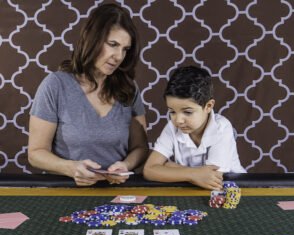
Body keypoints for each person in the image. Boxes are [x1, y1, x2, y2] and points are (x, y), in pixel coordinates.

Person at [28, 3, 148, 186]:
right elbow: (36, 153)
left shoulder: (129, 88)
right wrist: (71, 167)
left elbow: (140, 148)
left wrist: (126, 165)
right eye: (113, 44)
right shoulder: (55, 85)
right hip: (67, 189)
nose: (118, 56)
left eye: (125, 49)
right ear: (92, 40)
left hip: (117, 192)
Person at [143, 66, 246, 190]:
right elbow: (149, 170)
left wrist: (171, 167)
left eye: (187, 112)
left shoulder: (222, 128)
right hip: (192, 191)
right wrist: (193, 174)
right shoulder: (172, 127)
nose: (178, 120)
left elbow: (213, 178)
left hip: (234, 189)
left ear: (208, 106)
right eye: (172, 112)